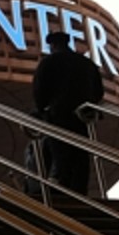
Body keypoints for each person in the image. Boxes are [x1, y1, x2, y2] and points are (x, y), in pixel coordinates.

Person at [32, 30, 105, 194]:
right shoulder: (86, 63)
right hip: (82, 115)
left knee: (61, 153)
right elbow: (99, 91)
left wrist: (40, 109)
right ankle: (80, 191)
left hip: (58, 114)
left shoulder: (49, 62)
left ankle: (63, 190)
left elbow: (39, 89)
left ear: (53, 45)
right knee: (80, 154)